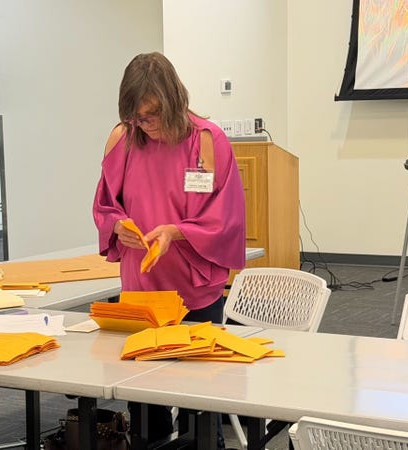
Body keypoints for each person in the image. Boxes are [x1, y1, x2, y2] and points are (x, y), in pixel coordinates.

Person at [92, 52, 246, 449]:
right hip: (142, 288)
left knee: (200, 397)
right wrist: (118, 227)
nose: (147, 125)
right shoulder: (123, 137)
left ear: (175, 100)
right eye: (138, 117)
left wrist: (176, 232)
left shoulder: (207, 140)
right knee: (145, 402)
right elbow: (106, 205)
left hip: (193, 287)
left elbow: (225, 219)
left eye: (153, 115)